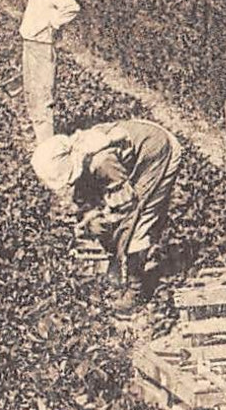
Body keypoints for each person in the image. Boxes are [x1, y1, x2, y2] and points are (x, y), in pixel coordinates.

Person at [33, 119, 183, 316]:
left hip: (157, 152)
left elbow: (127, 205)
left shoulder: (101, 162)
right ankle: (118, 260)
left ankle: (136, 290)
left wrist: (102, 216)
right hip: (137, 147)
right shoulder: (81, 152)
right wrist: (88, 214)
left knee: (136, 223)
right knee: (100, 220)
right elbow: (85, 193)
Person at [11, 0, 80, 143]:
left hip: (41, 47)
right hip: (30, 45)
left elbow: (72, 7)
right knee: (31, 94)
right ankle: (38, 138)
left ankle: (46, 146)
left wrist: (53, 23)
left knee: (42, 96)